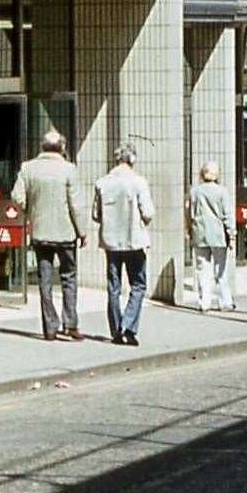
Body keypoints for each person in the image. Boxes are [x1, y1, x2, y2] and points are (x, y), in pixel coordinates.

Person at [11, 130, 87, 342]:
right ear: (62, 147)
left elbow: (17, 196)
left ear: (42, 146)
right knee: (68, 277)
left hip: (40, 232)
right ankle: (70, 324)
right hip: (66, 232)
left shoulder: (28, 168)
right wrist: (82, 231)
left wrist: (31, 210)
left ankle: (50, 327)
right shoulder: (69, 169)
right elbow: (76, 205)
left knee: (45, 280)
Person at [94, 142, 155, 346]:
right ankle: (128, 326)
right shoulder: (139, 182)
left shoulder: (102, 183)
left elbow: (96, 214)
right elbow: (148, 213)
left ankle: (115, 330)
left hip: (111, 243)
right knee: (138, 284)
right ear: (132, 160)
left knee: (114, 286)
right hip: (134, 241)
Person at [188, 161, 234, 313]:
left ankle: (204, 302)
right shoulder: (222, 192)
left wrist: (189, 231)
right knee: (220, 270)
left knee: (202, 269)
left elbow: (190, 213)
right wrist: (231, 234)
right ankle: (225, 302)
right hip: (218, 234)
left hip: (200, 233)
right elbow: (227, 215)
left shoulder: (195, 192)